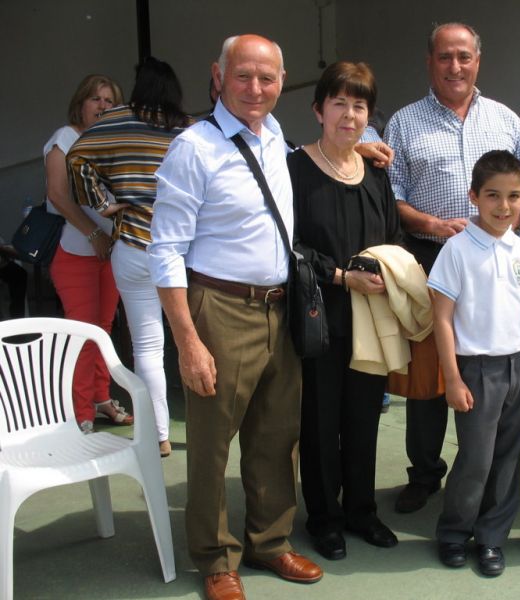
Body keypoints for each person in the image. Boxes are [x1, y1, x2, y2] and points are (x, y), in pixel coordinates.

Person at [148, 35, 323, 600]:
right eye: (243, 75)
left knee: (276, 435)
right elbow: (165, 251)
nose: (255, 88)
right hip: (219, 308)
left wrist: (365, 150)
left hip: (279, 307)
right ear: (219, 76)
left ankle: (270, 541)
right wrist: (187, 341)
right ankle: (215, 557)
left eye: (267, 78)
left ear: (282, 80)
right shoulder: (193, 148)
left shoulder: (275, 138)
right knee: (211, 442)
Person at [384, 21, 520, 514]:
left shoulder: (506, 121)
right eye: (445, 57)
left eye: (464, 56)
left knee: (490, 366)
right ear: (430, 62)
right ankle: (425, 473)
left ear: (477, 61)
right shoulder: (405, 122)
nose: (455, 66)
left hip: (497, 260)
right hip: (432, 257)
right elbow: (391, 197)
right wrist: (431, 222)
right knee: (430, 377)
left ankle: (484, 474)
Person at [289, 61, 402, 561]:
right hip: (320, 316)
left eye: (360, 106)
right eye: (339, 103)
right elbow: (288, 245)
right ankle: (324, 518)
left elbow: (393, 235)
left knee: (363, 418)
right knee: (319, 421)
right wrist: (340, 276)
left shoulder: (375, 173)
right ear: (319, 110)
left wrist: (390, 275)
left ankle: (361, 510)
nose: (349, 115)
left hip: (371, 318)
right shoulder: (295, 170)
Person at [430, 150, 520, 577]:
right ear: (473, 196)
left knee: (508, 457)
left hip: (519, 366)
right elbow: (442, 318)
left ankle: (492, 537)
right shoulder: (457, 250)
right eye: (493, 195)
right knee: (476, 458)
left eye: (514, 196)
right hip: (477, 371)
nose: (504, 206)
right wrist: (452, 377)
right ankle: (454, 532)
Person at [67, 58, 191, 457]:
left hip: (134, 246)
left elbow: (76, 159)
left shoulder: (115, 122)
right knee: (195, 342)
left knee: (148, 348)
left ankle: (159, 436)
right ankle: (206, 432)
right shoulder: (190, 130)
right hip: (182, 253)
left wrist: (103, 204)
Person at [45, 74, 130, 433]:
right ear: (80, 103)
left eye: (110, 101)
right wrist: (94, 233)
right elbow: (57, 194)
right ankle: (79, 410)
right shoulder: (65, 138)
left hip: (110, 253)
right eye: (96, 99)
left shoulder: (111, 142)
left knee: (103, 330)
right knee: (83, 332)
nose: (103, 106)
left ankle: (100, 398)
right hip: (75, 253)